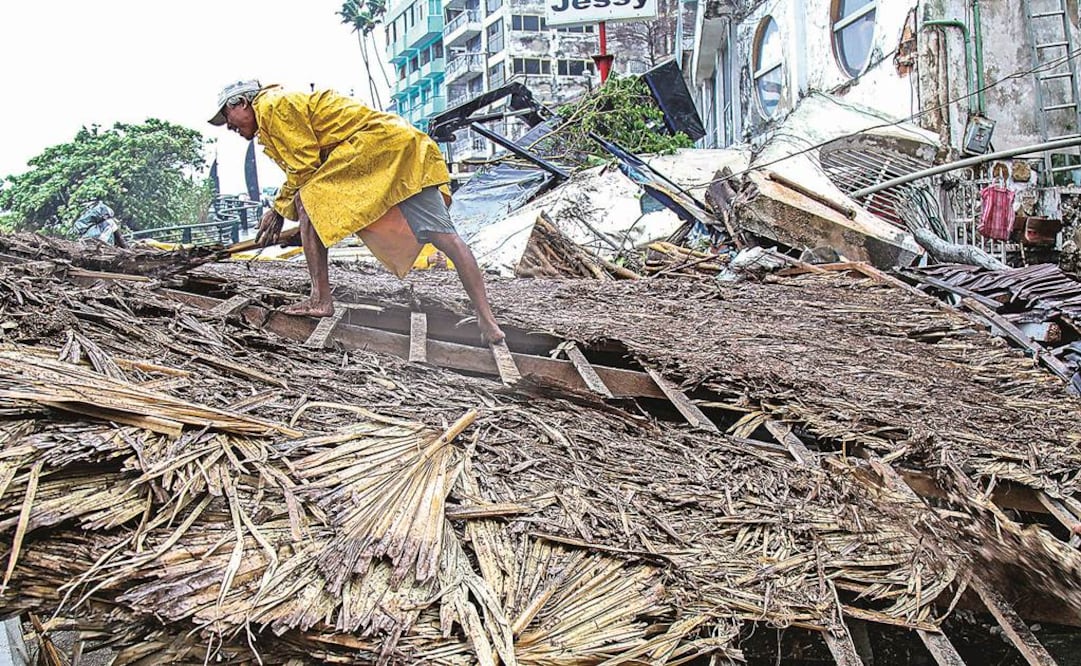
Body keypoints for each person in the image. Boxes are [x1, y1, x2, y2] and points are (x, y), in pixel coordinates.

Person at [208, 79, 505, 343]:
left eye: (228, 117)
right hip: (404, 150)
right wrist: (304, 230)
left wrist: (277, 209)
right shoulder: (278, 109)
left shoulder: (272, 105)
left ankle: (320, 299)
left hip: (377, 149)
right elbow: (318, 170)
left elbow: (305, 167)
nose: (230, 127)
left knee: (307, 199)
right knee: (447, 237)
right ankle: (487, 320)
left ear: (243, 103)